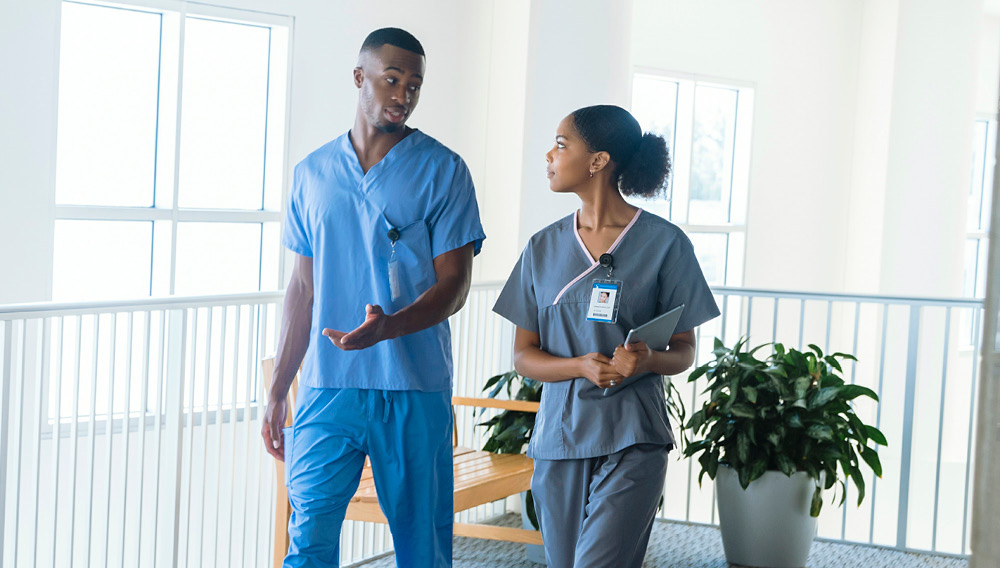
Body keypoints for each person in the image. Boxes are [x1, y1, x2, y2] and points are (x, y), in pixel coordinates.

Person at [261, 27, 486, 568]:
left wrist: (389, 326)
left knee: (421, 546)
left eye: (415, 85)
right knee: (308, 534)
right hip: (326, 387)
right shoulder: (311, 174)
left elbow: (453, 287)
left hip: (412, 385)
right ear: (360, 78)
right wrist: (277, 389)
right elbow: (302, 288)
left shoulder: (444, 171)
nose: (403, 96)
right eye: (392, 80)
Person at [493, 105, 719, 568]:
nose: (549, 155)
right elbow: (523, 356)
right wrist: (579, 366)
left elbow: (685, 349)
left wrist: (648, 360)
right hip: (560, 437)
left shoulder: (665, 244)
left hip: (633, 434)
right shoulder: (542, 247)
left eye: (561, 144)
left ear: (598, 160)